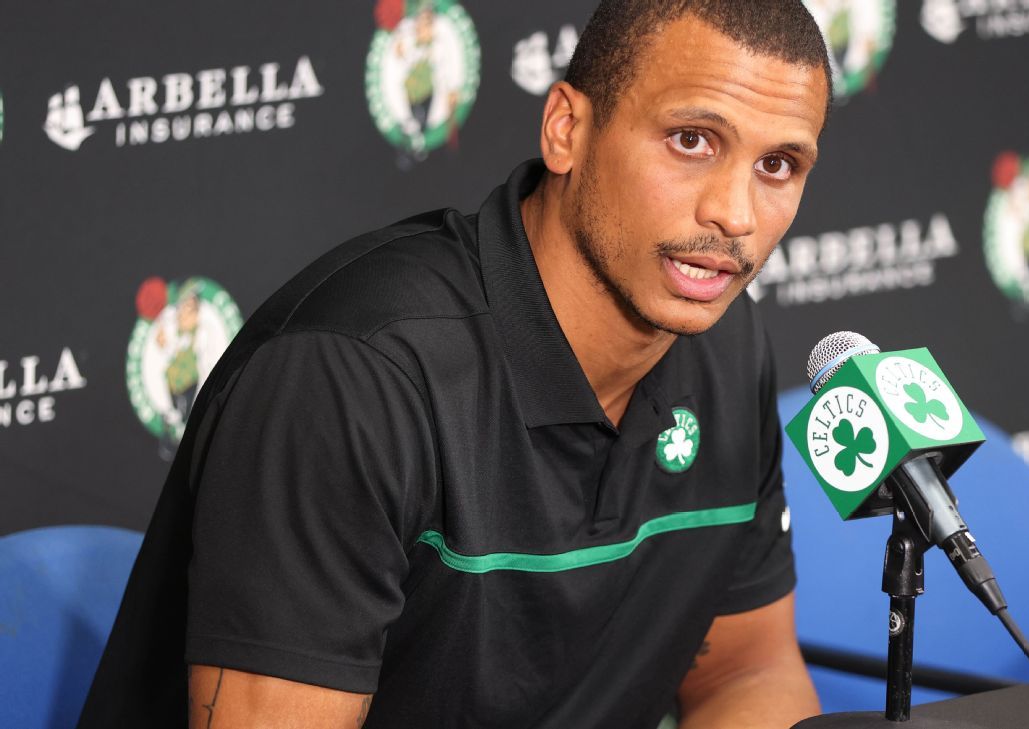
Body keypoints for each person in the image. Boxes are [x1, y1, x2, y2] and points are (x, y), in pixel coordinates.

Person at [78, 1, 832, 726]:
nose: (735, 214)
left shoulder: (723, 345)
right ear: (567, 129)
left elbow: (747, 671)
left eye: (778, 164)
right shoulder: (353, 376)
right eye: (692, 139)